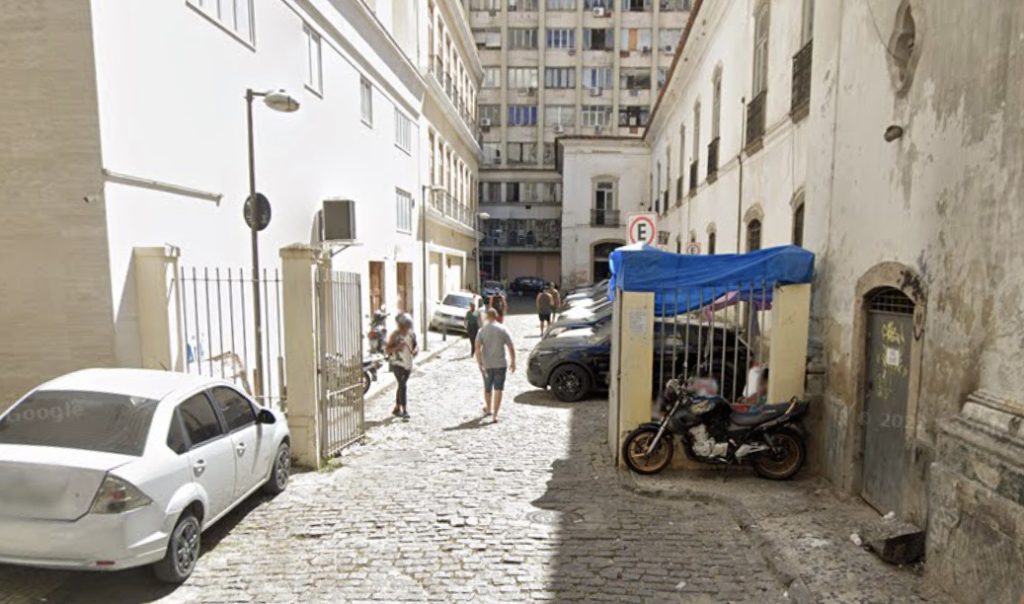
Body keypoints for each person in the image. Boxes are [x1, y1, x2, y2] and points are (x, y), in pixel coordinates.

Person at [475, 308, 515, 423]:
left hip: (487, 364)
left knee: (487, 388)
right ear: (496, 316)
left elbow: (477, 348)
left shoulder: (482, 330)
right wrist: (513, 361)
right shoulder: (503, 329)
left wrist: (480, 363)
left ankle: (488, 409)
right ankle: (495, 415)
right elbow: (510, 346)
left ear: (487, 316)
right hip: (500, 364)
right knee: (498, 389)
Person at [385, 313, 418, 419]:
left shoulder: (412, 334)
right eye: (404, 325)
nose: (406, 327)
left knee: (401, 385)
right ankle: (404, 410)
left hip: (408, 364)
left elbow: (416, 346)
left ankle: (397, 407)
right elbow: (387, 350)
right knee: (403, 384)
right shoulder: (395, 335)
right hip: (397, 363)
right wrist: (397, 347)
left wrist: (415, 351)